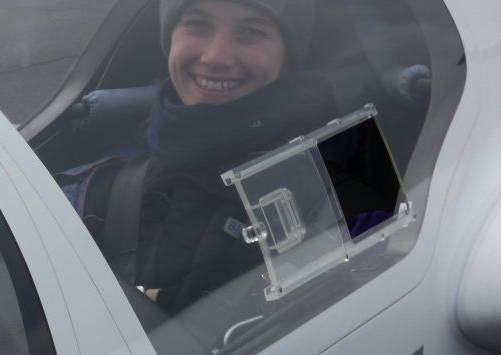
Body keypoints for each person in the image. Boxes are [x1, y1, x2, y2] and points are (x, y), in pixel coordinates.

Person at [71, 0, 394, 326]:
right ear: (169, 40)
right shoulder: (94, 186)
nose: (216, 57)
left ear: (286, 57)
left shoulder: (336, 191)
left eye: (250, 31)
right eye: (198, 25)